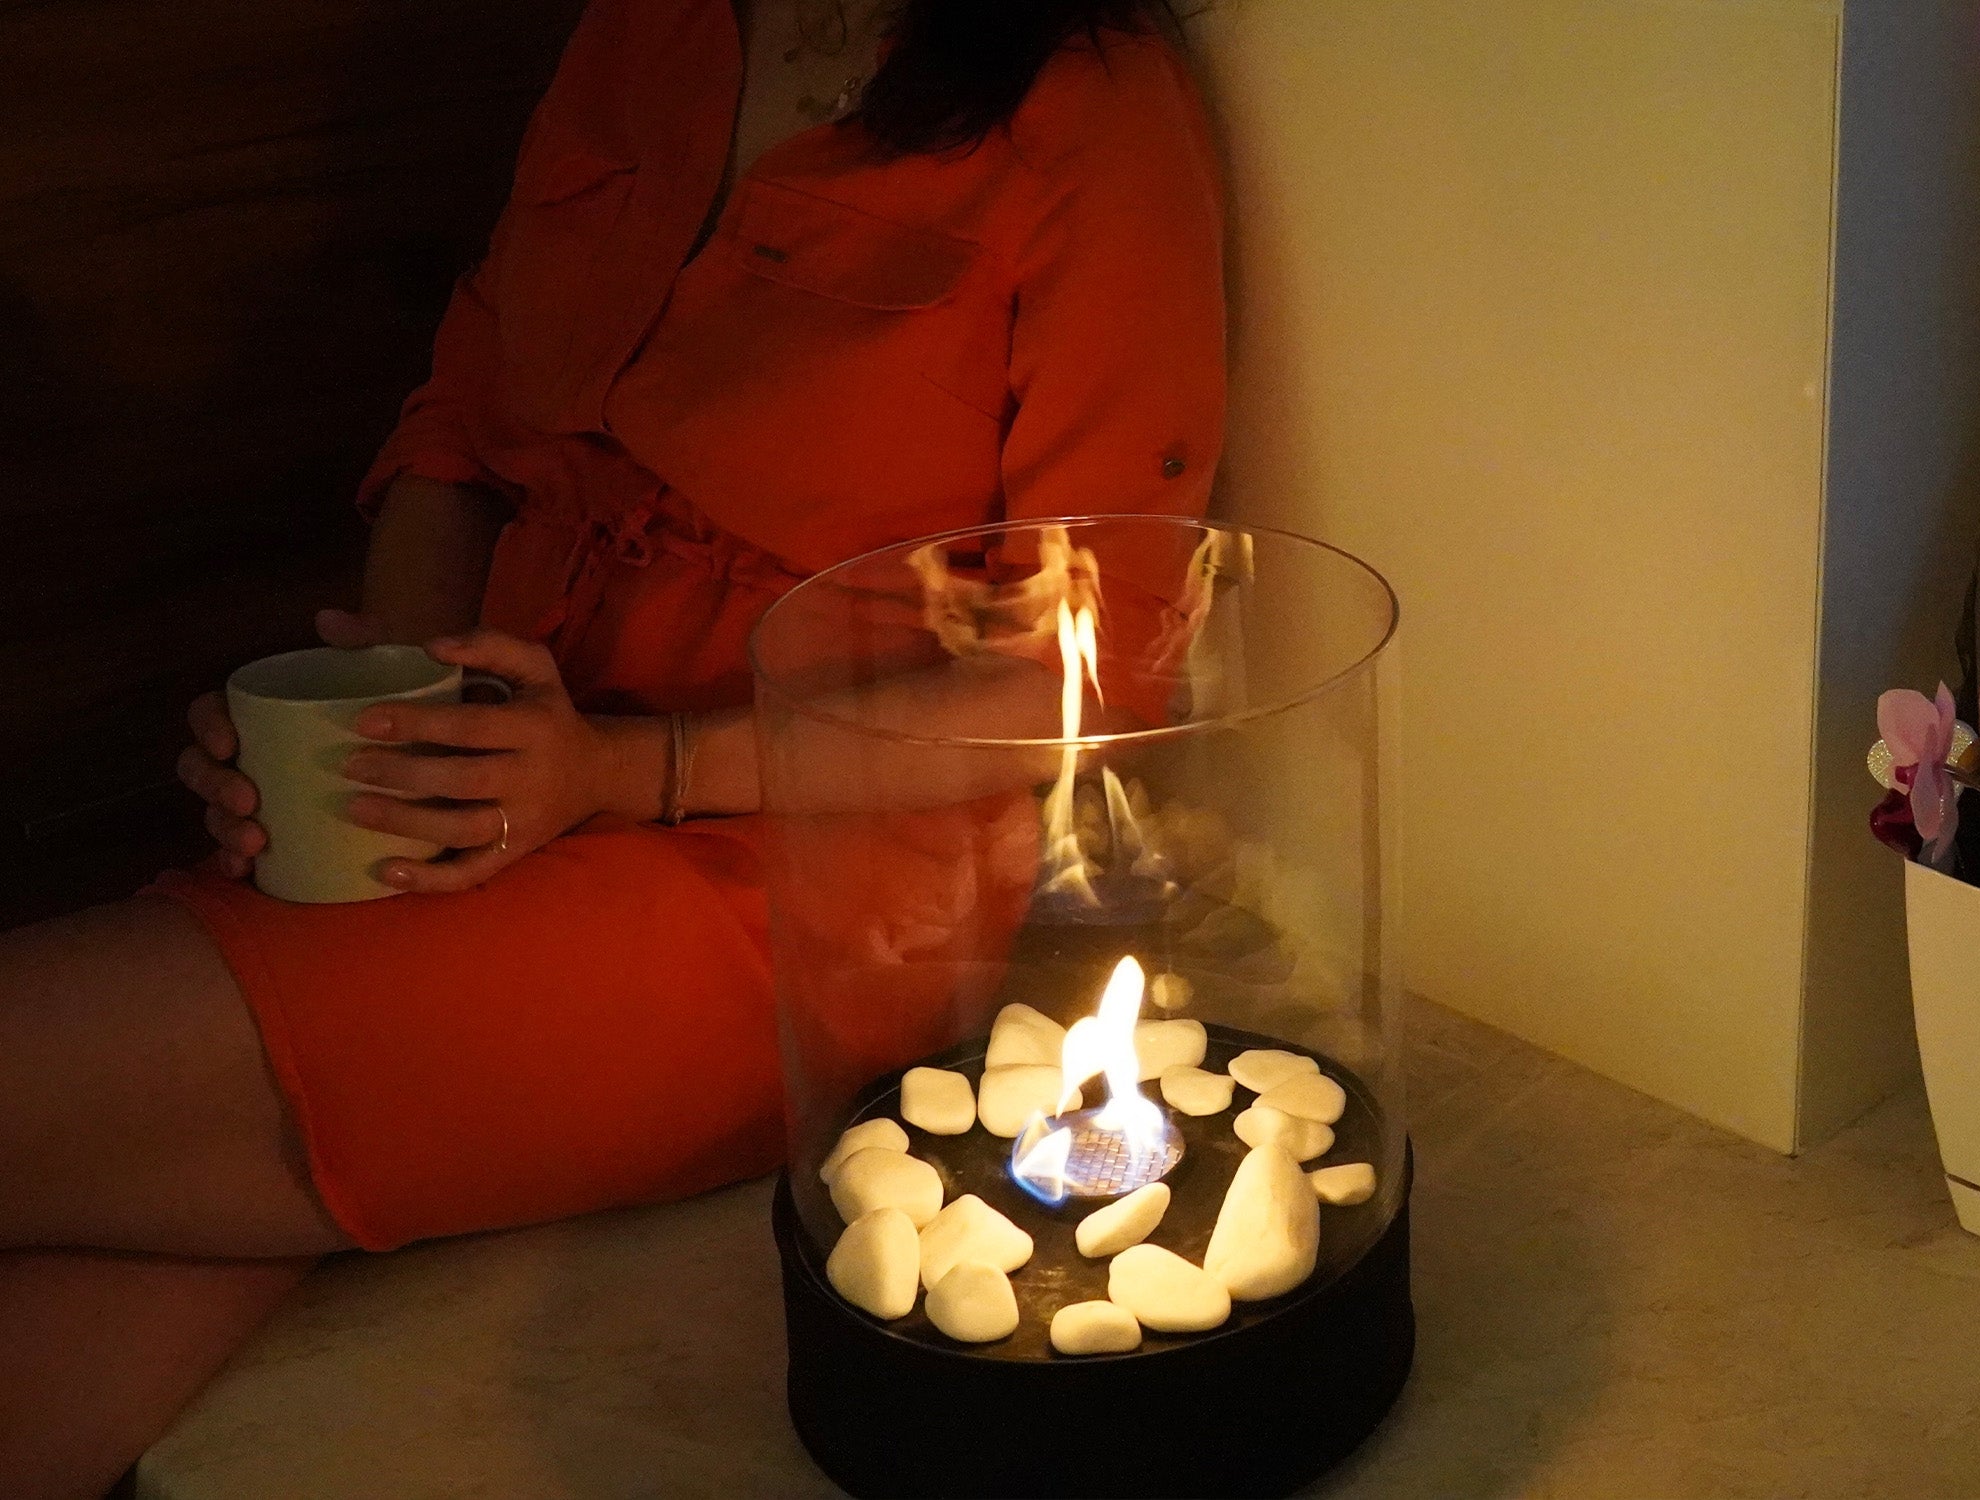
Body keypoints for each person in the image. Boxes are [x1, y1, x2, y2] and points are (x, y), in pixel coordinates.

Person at [0, 0, 1224, 1490]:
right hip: (521, 769)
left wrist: (624, 774)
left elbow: (1085, 678)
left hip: (807, 885)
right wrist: (385, 729)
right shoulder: (651, 26)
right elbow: (460, 434)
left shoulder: (1090, 106)